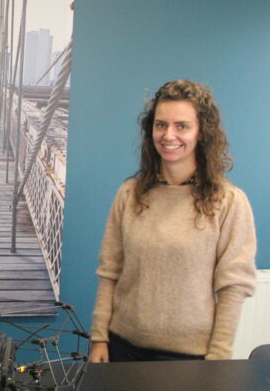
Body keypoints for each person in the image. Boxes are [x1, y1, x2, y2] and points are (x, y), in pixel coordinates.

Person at [89, 80, 256, 362]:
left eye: (182, 126)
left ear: (202, 132)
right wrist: (98, 338)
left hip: (188, 357)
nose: (168, 135)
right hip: (121, 347)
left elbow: (233, 286)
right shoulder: (130, 194)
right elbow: (110, 272)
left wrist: (219, 355)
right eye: (160, 124)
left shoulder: (228, 201)